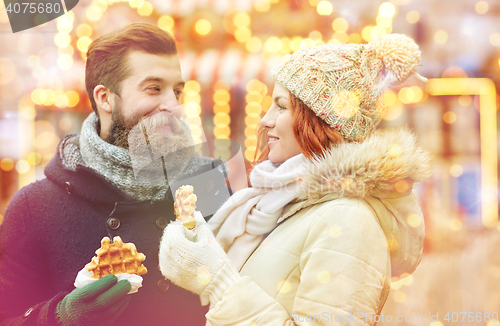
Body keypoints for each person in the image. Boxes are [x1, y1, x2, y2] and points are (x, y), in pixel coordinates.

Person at [159, 33, 434, 325]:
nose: (265, 120)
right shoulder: (279, 204)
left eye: (281, 106)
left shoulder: (349, 220)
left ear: (320, 121)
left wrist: (219, 282)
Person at [0, 22, 229, 326]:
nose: (173, 106)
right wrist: (61, 317)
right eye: (154, 89)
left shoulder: (211, 188)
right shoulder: (35, 207)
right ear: (105, 98)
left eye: (177, 91)